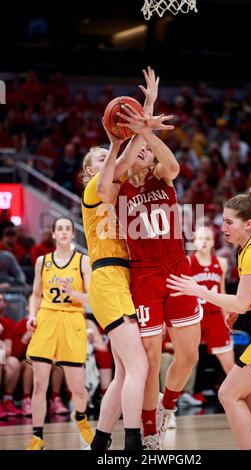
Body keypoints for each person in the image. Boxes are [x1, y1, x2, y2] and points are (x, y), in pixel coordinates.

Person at [167, 187, 251, 450]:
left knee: (227, 394)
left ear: (248, 224)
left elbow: (240, 299)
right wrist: (242, 309)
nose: (223, 227)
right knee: (249, 404)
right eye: (223, 221)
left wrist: (199, 291)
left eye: (229, 222)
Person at [81, 67, 163, 451]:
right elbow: (120, 159)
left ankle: (99, 444)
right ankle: (132, 445)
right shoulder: (94, 192)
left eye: (105, 158)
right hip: (107, 280)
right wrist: (114, 143)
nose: (105, 163)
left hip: (122, 280)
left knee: (123, 373)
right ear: (88, 173)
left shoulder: (116, 183)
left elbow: (134, 156)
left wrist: (145, 109)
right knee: (141, 367)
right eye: (97, 161)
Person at [117, 104, 201, 449]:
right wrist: (135, 133)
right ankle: (149, 427)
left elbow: (176, 165)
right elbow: (116, 167)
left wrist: (147, 130)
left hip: (177, 267)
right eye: (140, 148)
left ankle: (169, 403)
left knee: (189, 356)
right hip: (145, 274)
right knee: (151, 357)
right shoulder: (118, 184)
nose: (146, 151)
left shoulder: (163, 177)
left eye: (150, 150)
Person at [26, 217, 93, 450]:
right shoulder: (42, 262)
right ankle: (37, 437)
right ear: (53, 234)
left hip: (72, 319)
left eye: (68, 229)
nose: (64, 232)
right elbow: (35, 294)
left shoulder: (83, 261)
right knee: (39, 384)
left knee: (77, 388)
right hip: (47, 319)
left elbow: (93, 298)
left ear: (73, 234)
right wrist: (32, 314)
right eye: (59, 229)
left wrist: (74, 293)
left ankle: (81, 418)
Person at [189, 226, 235, 374]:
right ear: (194, 242)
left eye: (207, 239)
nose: (204, 242)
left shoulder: (221, 262)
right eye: (200, 238)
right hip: (195, 317)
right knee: (185, 361)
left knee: (230, 366)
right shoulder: (187, 262)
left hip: (215, 316)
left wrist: (227, 319)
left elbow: (222, 292)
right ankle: (178, 396)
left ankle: (239, 394)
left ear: (213, 242)